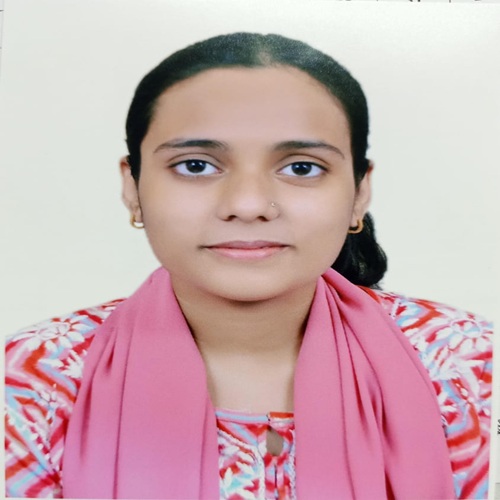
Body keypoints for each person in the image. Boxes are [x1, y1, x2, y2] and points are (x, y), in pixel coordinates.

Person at [4, 32, 492, 499]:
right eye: (196, 165)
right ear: (133, 187)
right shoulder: (31, 379)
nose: (248, 204)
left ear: (359, 193)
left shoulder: (469, 365)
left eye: (301, 167)